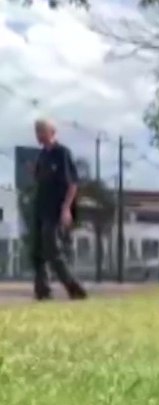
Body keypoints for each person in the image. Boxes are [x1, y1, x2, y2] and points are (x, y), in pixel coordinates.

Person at [30, 118, 87, 301]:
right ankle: (43, 291)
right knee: (37, 251)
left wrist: (66, 209)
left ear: (52, 132)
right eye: (37, 131)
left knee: (53, 249)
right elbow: (40, 181)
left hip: (55, 210)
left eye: (42, 131)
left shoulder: (61, 153)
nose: (39, 135)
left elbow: (72, 184)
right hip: (40, 208)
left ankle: (74, 287)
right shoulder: (41, 156)